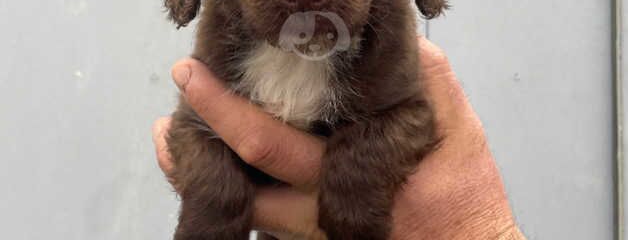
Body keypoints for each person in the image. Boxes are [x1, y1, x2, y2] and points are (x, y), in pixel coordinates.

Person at [152, 37, 526, 239]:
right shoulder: (225, 38)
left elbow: (410, 115)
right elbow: (192, 133)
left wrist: (477, 233)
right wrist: (216, 207)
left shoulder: (388, 49)